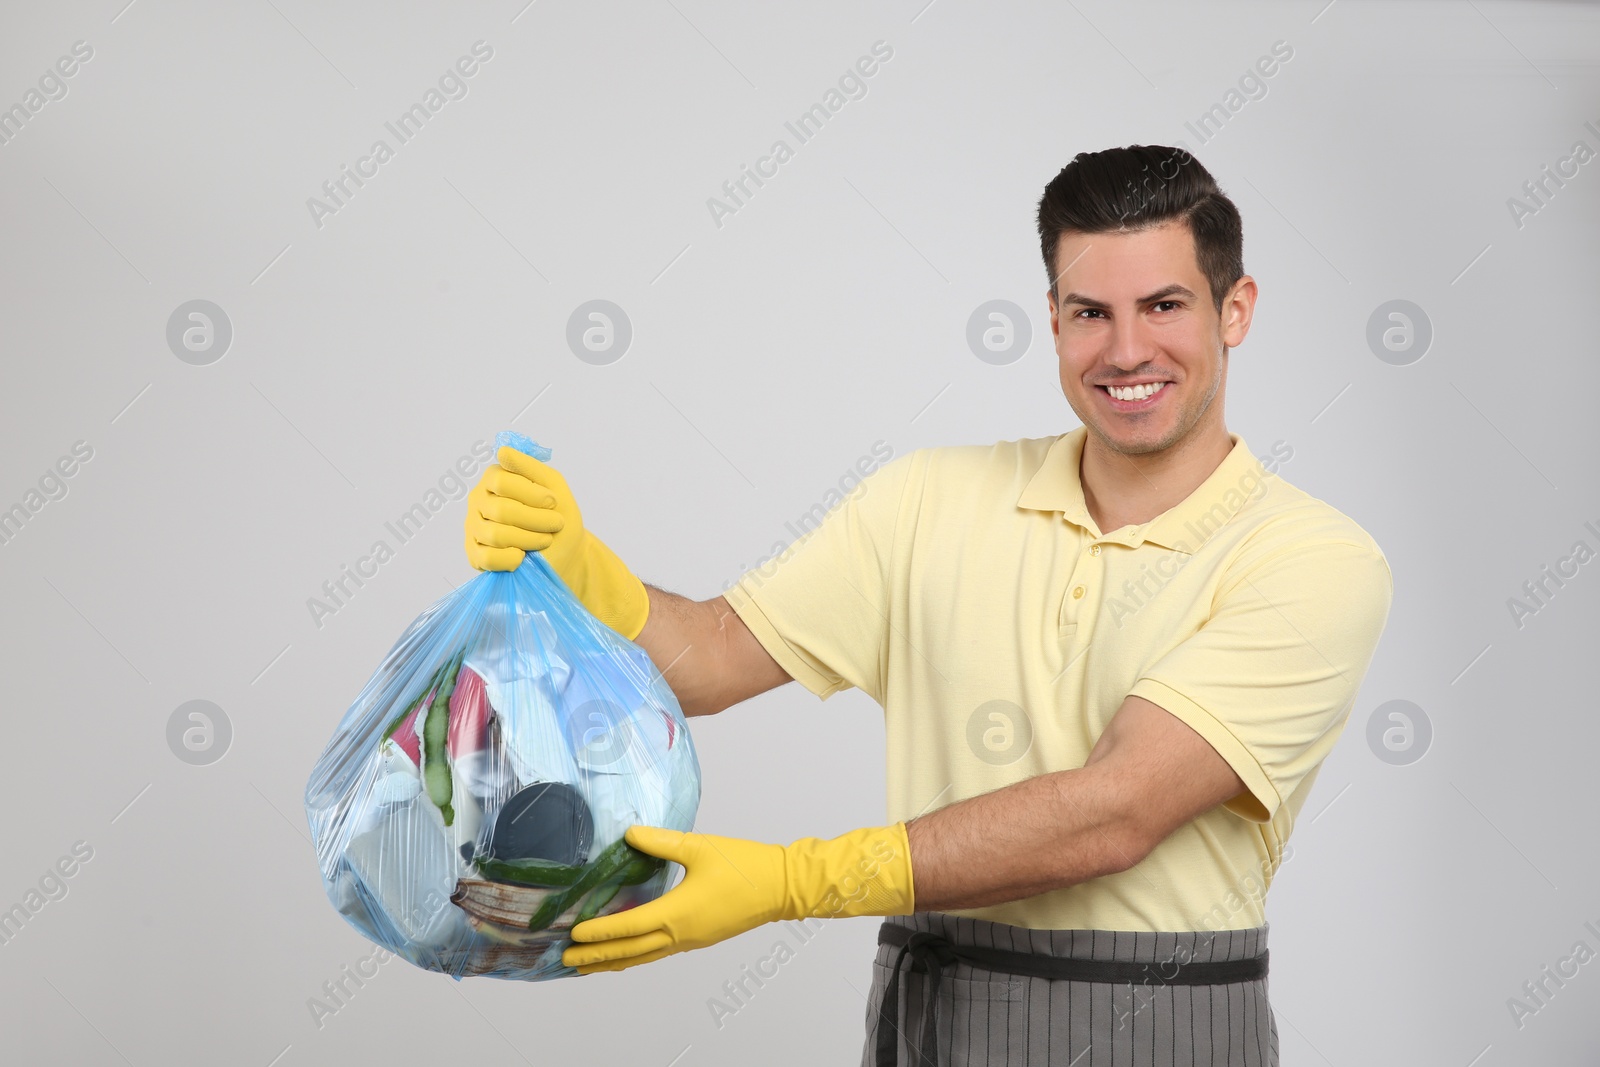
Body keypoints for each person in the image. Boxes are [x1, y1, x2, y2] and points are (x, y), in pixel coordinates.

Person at [462, 144, 1393, 1066]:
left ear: (1237, 310)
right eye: (1089, 313)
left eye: (1164, 306)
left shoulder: (1311, 558)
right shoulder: (925, 500)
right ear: (1054, 320)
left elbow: (1117, 810)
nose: (1126, 350)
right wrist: (578, 567)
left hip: (1163, 1028)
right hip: (934, 1015)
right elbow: (704, 661)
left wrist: (792, 880)